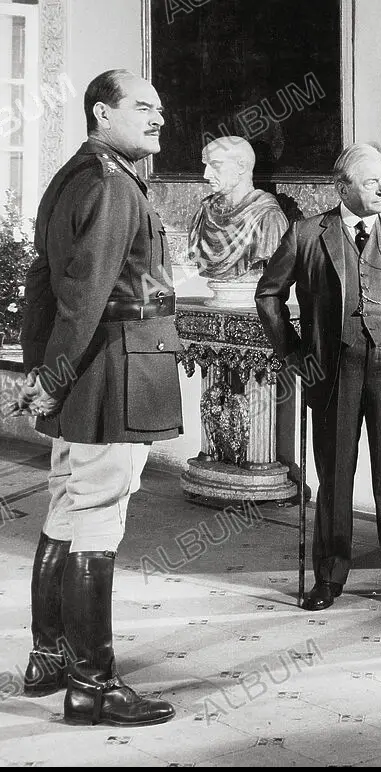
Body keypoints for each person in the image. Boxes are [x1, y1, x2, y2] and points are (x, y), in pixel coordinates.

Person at [12, 69, 182, 726]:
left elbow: (42, 286)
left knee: (66, 508)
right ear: (102, 113)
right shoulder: (112, 183)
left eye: (160, 108)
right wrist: (51, 378)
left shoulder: (73, 176)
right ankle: (93, 684)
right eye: (143, 107)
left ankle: (49, 656)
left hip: (83, 376)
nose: (158, 118)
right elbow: (82, 299)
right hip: (112, 373)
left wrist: (43, 374)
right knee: (98, 519)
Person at [256, 143, 381, 614]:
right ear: (343, 188)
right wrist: (294, 354)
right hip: (332, 372)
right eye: (371, 181)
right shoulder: (306, 234)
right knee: (335, 479)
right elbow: (269, 295)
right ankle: (329, 576)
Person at [187, 136, 289, 283]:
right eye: (206, 166)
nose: (206, 175)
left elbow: (277, 272)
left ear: (241, 167)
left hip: (248, 291)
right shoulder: (204, 213)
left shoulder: (269, 217)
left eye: (215, 165)